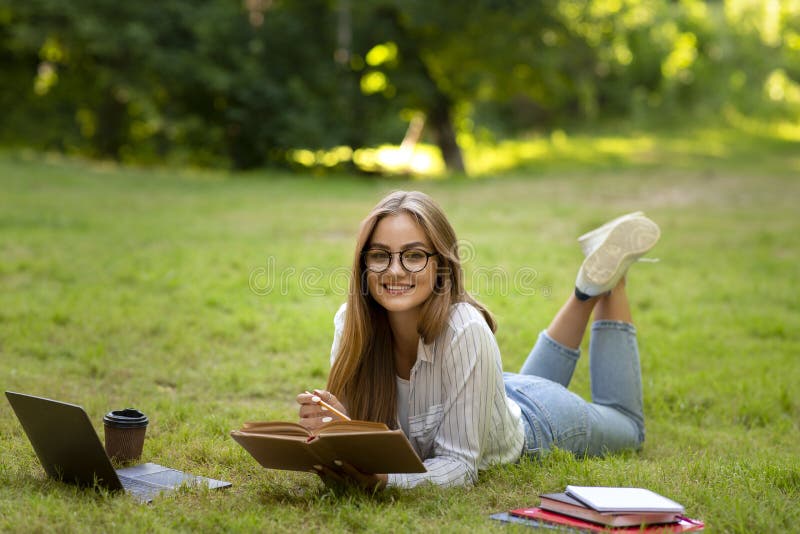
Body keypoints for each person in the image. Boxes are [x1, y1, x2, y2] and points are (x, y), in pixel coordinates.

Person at [296, 191, 660, 491]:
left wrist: (388, 482)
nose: (394, 270)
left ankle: (612, 278)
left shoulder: (465, 330)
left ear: (442, 264)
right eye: (379, 255)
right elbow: (369, 436)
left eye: (414, 256)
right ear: (364, 264)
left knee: (629, 426)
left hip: (539, 423)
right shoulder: (351, 323)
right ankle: (589, 285)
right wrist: (335, 425)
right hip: (491, 393)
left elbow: (459, 466)